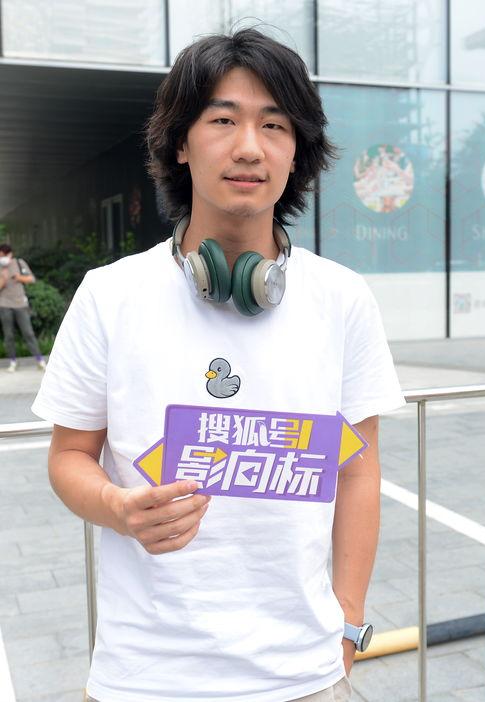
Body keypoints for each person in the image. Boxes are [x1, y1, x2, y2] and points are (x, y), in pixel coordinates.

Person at [32, 28, 405, 702]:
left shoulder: (343, 298)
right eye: (223, 120)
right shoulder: (111, 295)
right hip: (144, 678)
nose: (249, 147)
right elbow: (69, 456)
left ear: (297, 151)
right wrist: (117, 507)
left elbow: (357, 470)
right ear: (180, 142)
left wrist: (348, 623)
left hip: (305, 675)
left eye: (274, 125)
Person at [0, 243, 46, 372]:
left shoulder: (19, 263)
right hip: (4, 304)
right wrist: (3, 278)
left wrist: (18, 277)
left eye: (3, 255)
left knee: (28, 333)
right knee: (9, 335)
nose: (2, 258)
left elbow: (31, 279)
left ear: (10, 254)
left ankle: (40, 360)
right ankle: (13, 362)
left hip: (20, 304)